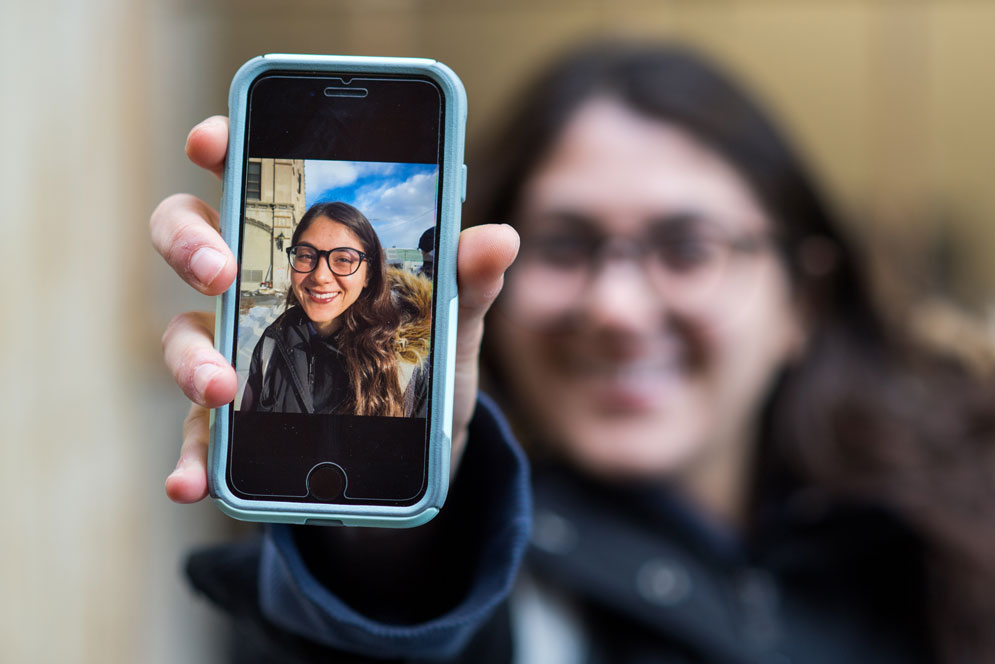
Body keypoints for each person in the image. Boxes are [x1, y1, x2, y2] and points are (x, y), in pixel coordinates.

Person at [152, 42, 995, 663]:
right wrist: (384, 541)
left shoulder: (949, 532)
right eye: (563, 245)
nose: (618, 309)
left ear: (800, 304)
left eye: (688, 247)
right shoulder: (488, 584)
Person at [241, 200, 430, 417]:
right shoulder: (272, 343)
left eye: (343, 259)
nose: (320, 276)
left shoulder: (407, 364)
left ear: (368, 274)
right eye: (306, 256)